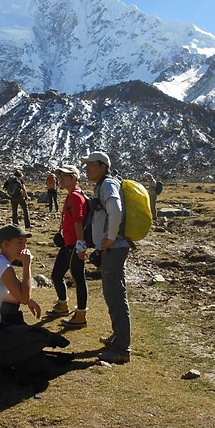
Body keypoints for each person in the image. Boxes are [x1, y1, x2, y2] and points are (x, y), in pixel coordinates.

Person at [0, 223, 71, 384]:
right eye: (20, 242)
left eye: (25, 243)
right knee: (39, 337)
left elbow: (4, 294)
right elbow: (24, 297)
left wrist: (28, 301)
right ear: (5, 244)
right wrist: (27, 265)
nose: (24, 247)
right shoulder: (4, 266)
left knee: (14, 312)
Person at [82, 151, 132, 364]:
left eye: (91, 165)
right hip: (112, 248)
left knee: (115, 296)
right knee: (112, 293)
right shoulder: (103, 184)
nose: (87, 169)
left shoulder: (108, 184)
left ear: (102, 166)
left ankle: (122, 348)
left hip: (115, 247)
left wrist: (110, 238)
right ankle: (118, 337)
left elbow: (116, 210)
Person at [48, 165, 88, 328]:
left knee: (79, 278)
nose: (60, 179)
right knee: (57, 275)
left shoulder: (75, 197)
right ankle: (63, 305)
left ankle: (80, 315)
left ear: (74, 177)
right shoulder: (74, 195)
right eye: (60, 176)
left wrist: (80, 245)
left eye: (64, 176)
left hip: (73, 244)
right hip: (68, 243)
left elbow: (78, 221)